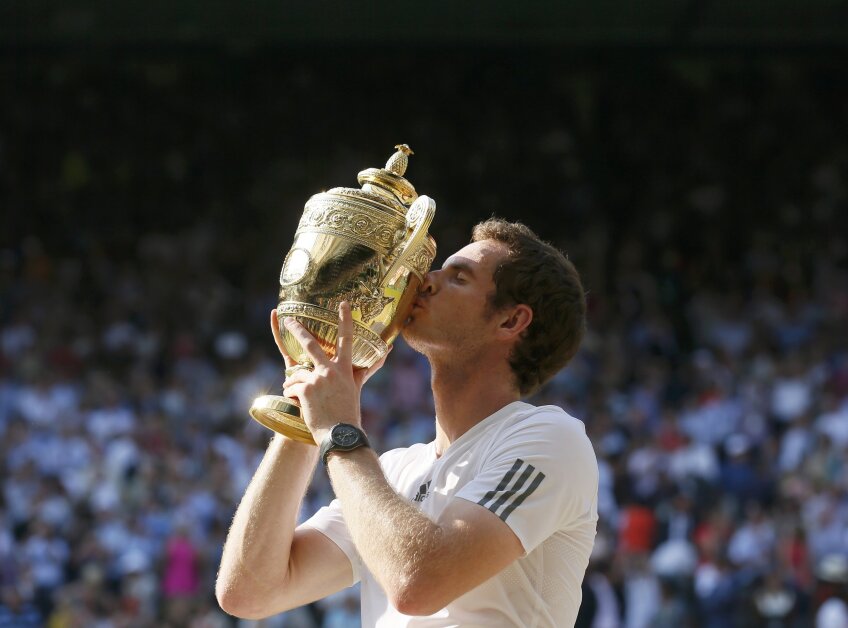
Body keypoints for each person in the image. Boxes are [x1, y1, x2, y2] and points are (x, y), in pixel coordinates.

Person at [216, 218, 599, 627]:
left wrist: (337, 430)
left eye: (459, 278)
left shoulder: (552, 439)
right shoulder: (394, 471)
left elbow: (419, 584)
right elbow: (248, 591)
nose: (425, 281)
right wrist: (306, 410)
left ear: (510, 321)